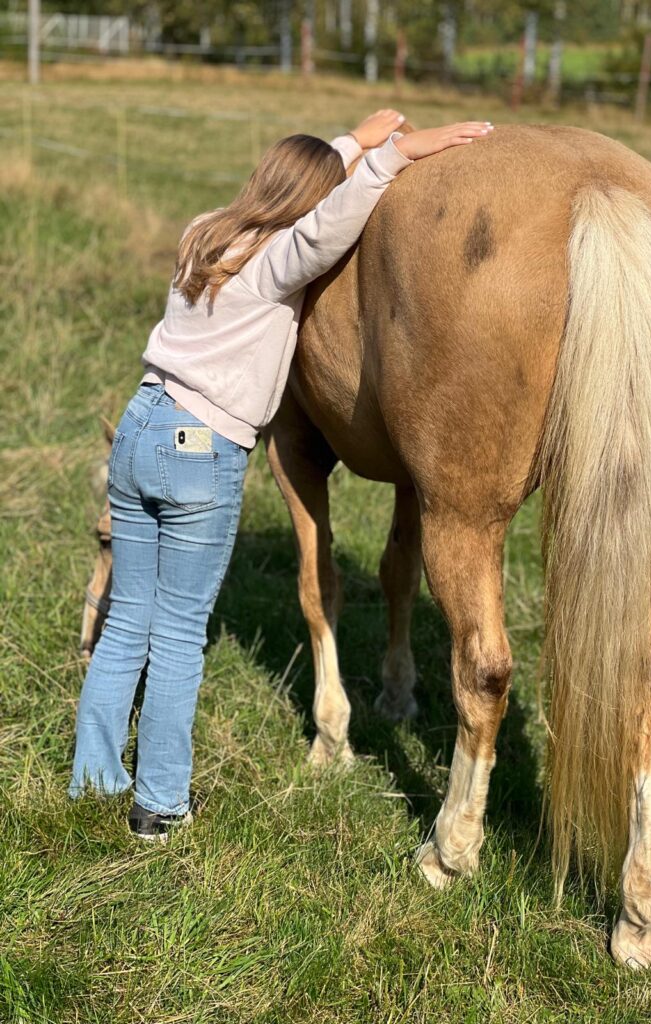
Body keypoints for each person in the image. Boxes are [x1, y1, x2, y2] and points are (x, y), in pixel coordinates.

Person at [69, 109, 494, 840]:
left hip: (138, 428)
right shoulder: (275, 267)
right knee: (177, 633)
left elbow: (289, 195)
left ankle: (93, 782)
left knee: (129, 620)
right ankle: (159, 806)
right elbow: (330, 222)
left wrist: (347, 144)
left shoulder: (203, 233)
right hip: (198, 448)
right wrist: (391, 154)